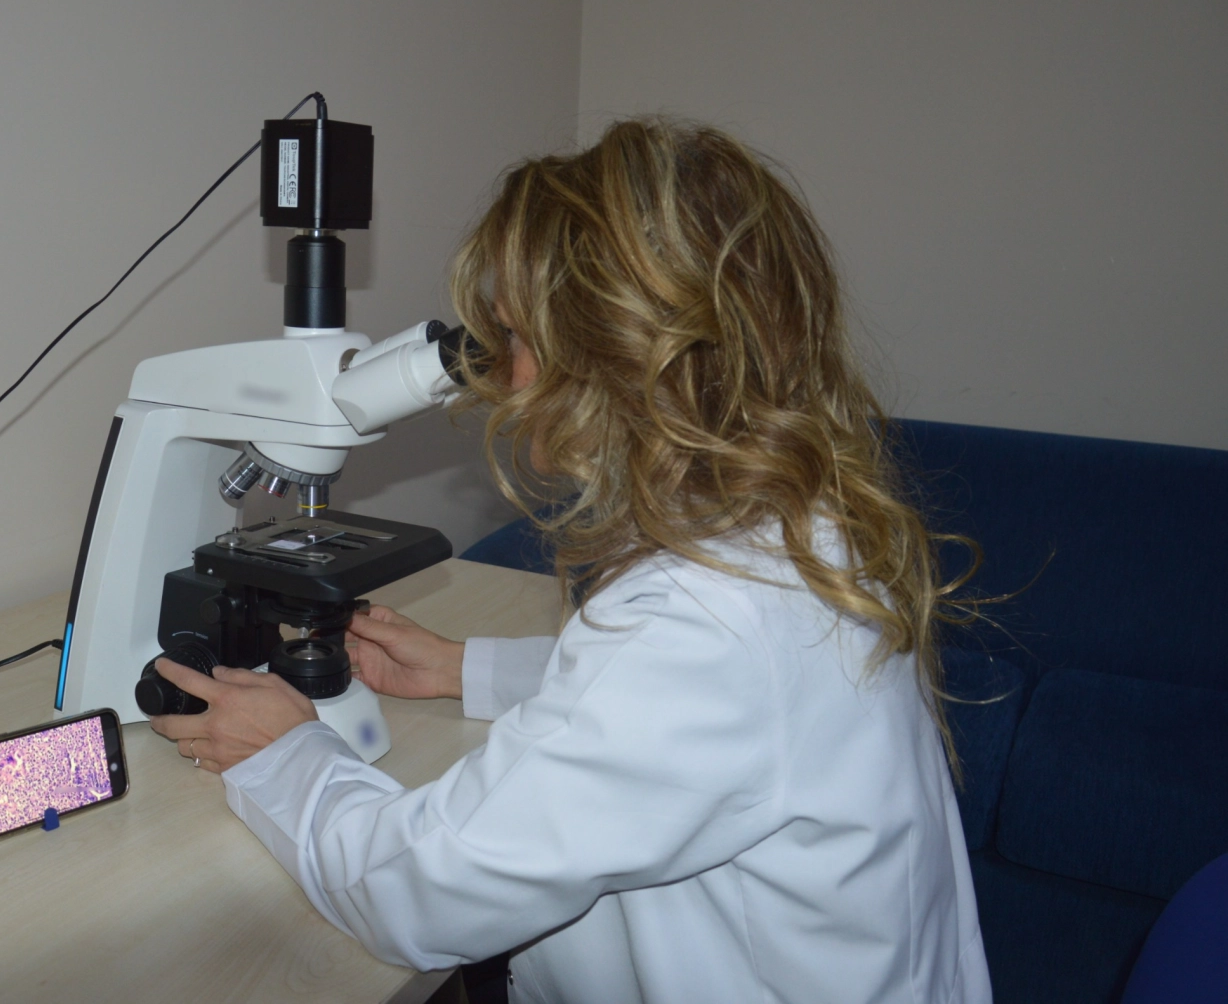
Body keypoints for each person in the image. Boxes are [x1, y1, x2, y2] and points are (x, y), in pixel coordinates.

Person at [149, 119, 990, 1003]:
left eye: (515, 338)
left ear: (614, 358)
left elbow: (421, 892)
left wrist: (284, 755)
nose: (506, 380)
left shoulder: (706, 618)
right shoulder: (800, 522)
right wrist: (468, 669)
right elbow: (702, 713)